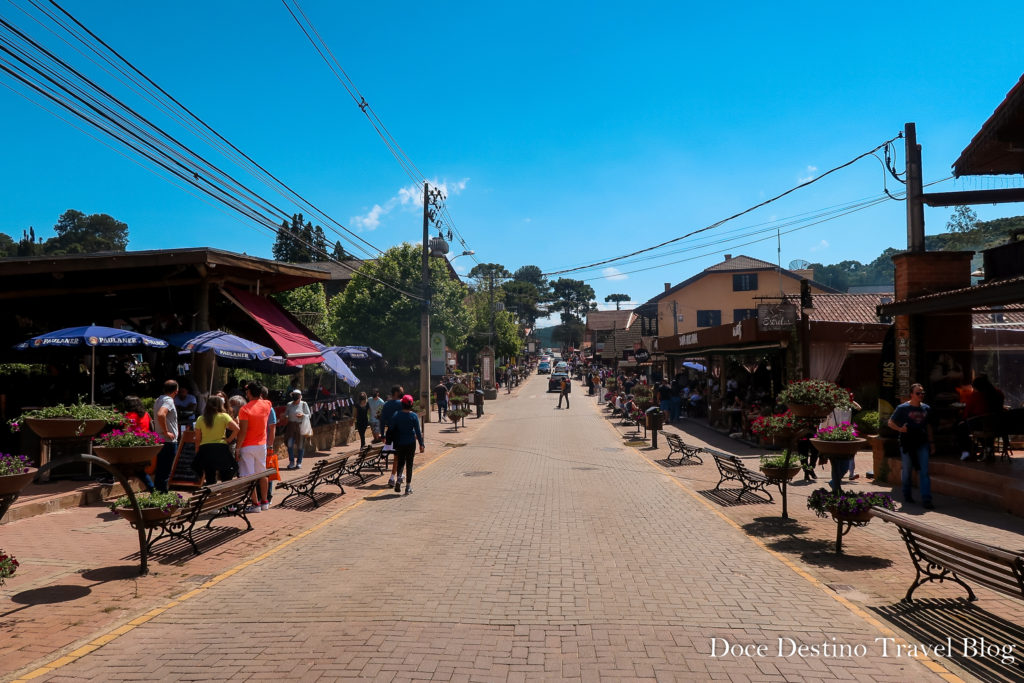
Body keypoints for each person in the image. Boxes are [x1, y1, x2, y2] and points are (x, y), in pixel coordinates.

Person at [887, 383, 934, 509]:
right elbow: (890, 422)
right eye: (918, 393)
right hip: (907, 442)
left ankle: (926, 499)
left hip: (922, 441)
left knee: (924, 470)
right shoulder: (903, 408)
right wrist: (900, 429)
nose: (921, 395)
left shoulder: (926, 408)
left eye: (922, 393)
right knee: (907, 469)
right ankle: (907, 494)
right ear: (912, 394)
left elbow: (929, 426)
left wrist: (931, 442)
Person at [235, 383, 271, 512]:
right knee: (262, 473)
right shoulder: (267, 404)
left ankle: (255, 504)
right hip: (262, 445)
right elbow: (261, 400)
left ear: (248, 393)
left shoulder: (244, 409)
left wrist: (237, 448)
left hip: (247, 446)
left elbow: (243, 432)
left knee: (248, 476)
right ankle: (265, 502)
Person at [193, 395, 239, 485]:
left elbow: (198, 439)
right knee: (225, 475)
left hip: (205, 449)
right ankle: (225, 495)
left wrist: (197, 450)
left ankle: (212, 496)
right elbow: (237, 429)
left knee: (210, 477)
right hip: (221, 448)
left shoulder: (200, 418)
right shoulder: (224, 416)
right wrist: (229, 440)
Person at [389, 394, 424, 495]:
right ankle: (408, 487)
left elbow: (391, 428)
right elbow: (418, 431)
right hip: (410, 443)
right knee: (409, 464)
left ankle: (399, 477)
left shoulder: (396, 415)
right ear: (411, 404)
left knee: (400, 462)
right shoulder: (413, 416)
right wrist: (421, 444)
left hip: (399, 443)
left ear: (402, 404)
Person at [152, 379, 179, 492]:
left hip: (160, 440)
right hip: (168, 441)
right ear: (176, 391)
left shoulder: (158, 399)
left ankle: (158, 495)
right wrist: (166, 431)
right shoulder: (169, 400)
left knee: (160, 471)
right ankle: (163, 498)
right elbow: (161, 414)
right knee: (165, 472)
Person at [380, 385, 404, 487]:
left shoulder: (386, 405)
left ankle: (399, 475)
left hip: (390, 433)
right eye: (401, 391)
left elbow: (382, 421)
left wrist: (382, 435)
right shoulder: (402, 404)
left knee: (397, 456)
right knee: (398, 457)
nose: (403, 392)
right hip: (400, 433)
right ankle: (393, 478)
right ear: (396, 392)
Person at [284, 389, 310, 469]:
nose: (295, 396)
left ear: (300, 396)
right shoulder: (289, 404)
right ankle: (291, 462)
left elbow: (309, 415)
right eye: (294, 395)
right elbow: (286, 414)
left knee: (300, 445)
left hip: (300, 426)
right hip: (291, 427)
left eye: (297, 395)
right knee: (290, 444)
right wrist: (285, 416)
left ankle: (299, 462)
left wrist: (303, 415)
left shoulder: (304, 404)